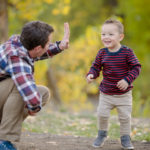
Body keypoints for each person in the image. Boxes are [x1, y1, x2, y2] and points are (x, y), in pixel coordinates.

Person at [0, 20, 70, 150]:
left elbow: (36, 54)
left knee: (42, 92)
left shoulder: (20, 43)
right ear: (38, 47)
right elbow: (30, 95)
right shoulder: (16, 59)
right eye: (49, 43)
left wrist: (60, 46)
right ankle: (4, 141)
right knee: (21, 87)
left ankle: (4, 128)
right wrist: (33, 108)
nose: (49, 45)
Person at [86, 19, 141, 150]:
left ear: (120, 37)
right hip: (106, 93)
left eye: (111, 34)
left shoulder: (127, 52)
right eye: (103, 34)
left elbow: (136, 68)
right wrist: (91, 74)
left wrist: (127, 80)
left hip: (124, 95)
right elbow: (96, 67)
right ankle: (102, 134)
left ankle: (125, 138)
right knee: (102, 114)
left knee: (125, 117)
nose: (106, 37)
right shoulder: (102, 53)